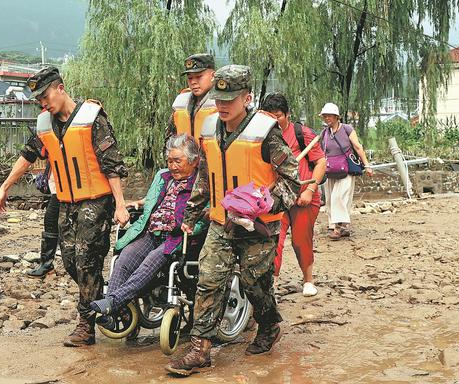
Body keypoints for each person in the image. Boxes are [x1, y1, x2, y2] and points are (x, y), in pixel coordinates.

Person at [165, 65, 300, 376]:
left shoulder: (266, 132)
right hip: (220, 222)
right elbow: (204, 175)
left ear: (247, 98)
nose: (222, 105)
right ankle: (200, 349)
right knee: (208, 280)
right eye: (219, 99)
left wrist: (267, 202)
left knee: (255, 284)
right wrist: (192, 210)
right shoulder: (210, 128)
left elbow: (292, 179)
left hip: (257, 226)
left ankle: (268, 325)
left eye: (230, 99)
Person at [0, 67, 129, 347]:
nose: (43, 103)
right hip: (65, 202)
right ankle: (104, 303)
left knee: (88, 261)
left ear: (60, 88)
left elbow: (112, 164)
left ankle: (85, 327)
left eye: (45, 96)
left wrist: (120, 204)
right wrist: (6, 186)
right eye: (39, 100)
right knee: (70, 262)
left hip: (96, 201)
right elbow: (28, 155)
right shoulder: (45, 122)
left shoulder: (92, 117)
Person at [90, 134, 207, 318]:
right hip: (151, 232)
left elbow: (205, 216)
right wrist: (138, 203)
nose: (172, 166)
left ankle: (113, 303)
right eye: (169, 161)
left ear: (194, 161)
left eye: (177, 161)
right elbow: (154, 201)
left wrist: (192, 227)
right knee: (124, 259)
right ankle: (110, 312)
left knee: (148, 264)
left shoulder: (202, 183)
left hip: (176, 237)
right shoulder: (162, 176)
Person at [261, 93, 326, 297]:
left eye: (278, 115)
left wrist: (310, 190)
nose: (274, 120)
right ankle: (272, 284)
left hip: (303, 197)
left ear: (287, 114)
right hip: (276, 198)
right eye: (269, 115)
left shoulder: (302, 133)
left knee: (300, 240)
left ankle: (308, 280)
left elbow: (321, 163)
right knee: (274, 241)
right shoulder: (261, 136)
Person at [320, 102, 373, 240]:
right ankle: (339, 225)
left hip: (346, 169)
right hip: (330, 170)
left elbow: (358, 147)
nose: (326, 119)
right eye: (324, 116)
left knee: (340, 196)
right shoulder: (324, 133)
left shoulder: (347, 129)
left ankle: (339, 228)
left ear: (337, 117)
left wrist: (367, 165)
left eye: (329, 116)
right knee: (331, 199)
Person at [165, 53, 216, 145]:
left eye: (199, 77)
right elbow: (169, 140)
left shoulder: (223, 104)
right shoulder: (180, 104)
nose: (193, 82)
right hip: (184, 157)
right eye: (190, 78)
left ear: (213, 76)